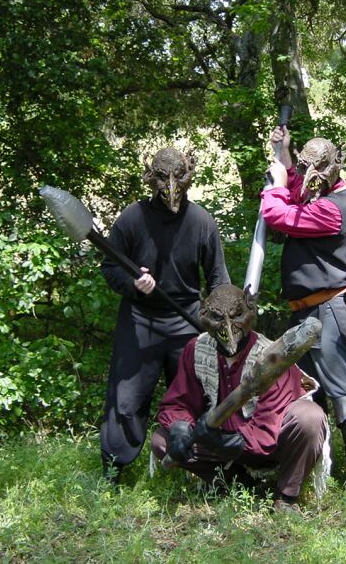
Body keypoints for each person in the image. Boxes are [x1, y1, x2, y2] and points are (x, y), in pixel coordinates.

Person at [100, 147, 230, 484]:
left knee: (195, 399)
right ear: (151, 178)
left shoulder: (201, 222)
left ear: (188, 178)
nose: (170, 187)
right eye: (162, 178)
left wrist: (224, 316)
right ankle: (112, 471)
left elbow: (218, 278)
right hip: (139, 320)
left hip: (187, 322)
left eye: (177, 178)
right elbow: (110, 266)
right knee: (126, 399)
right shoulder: (133, 218)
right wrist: (133, 283)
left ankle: (200, 471)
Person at [259, 126, 346, 488]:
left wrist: (277, 185)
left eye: (313, 168)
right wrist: (285, 154)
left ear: (331, 168)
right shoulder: (321, 195)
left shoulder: (332, 209)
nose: (307, 175)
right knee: (306, 392)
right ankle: (314, 469)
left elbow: (278, 214)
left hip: (329, 311)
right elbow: (298, 188)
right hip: (307, 312)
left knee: (344, 393)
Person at [151, 284, 328, 513]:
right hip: (220, 438)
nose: (228, 327)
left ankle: (286, 496)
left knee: (310, 418)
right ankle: (235, 483)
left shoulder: (271, 358)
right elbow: (179, 401)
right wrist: (180, 428)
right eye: (217, 318)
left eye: (236, 316)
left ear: (250, 311)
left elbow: (266, 432)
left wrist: (223, 441)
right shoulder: (196, 349)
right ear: (203, 314)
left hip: (270, 443)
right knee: (162, 441)